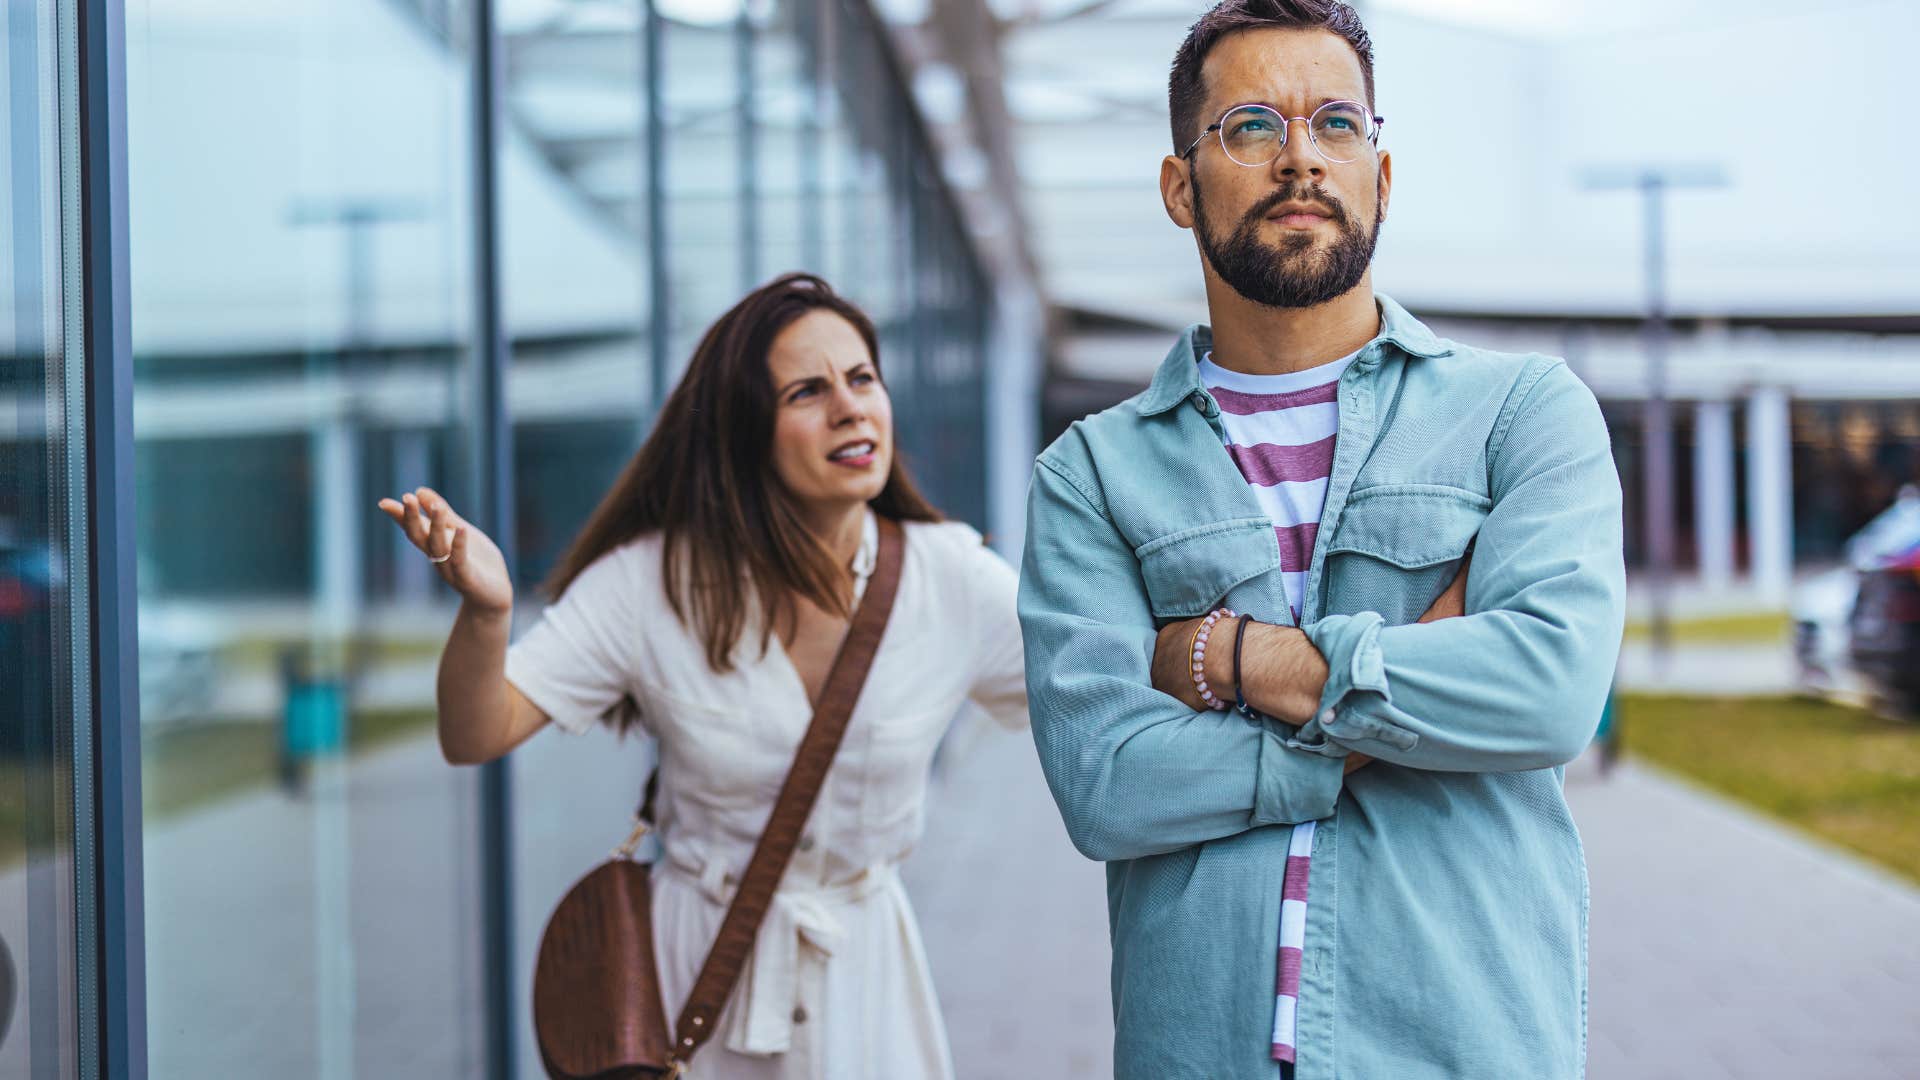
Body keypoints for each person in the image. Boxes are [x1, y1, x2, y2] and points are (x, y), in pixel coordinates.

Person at [1017, 2, 1625, 1077]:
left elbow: (1550, 691)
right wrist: (1398, 702)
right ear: (1179, 186)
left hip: (1463, 1046)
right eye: (1251, 126)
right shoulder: (1093, 474)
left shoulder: (1521, 414)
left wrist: (1237, 660)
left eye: (1336, 123)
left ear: (1381, 176)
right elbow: (1108, 785)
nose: (1300, 158)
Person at [379, 272, 1027, 1079]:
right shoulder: (649, 582)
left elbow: (1102, 685)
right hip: (696, 985)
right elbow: (474, 732)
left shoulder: (951, 577)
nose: (850, 407)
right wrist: (487, 614)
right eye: (807, 391)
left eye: (862, 379)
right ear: (746, 431)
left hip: (868, 983)